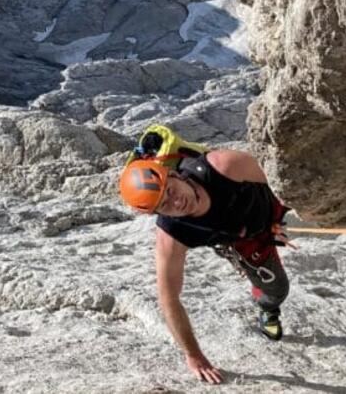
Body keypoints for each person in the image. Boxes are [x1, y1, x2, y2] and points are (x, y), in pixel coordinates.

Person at [119, 149, 292, 385]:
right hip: (248, 238)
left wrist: (331, 211)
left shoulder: (223, 167)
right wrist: (193, 356)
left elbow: (285, 177)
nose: (176, 202)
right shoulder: (173, 235)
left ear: (174, 175)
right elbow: (168, 299)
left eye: (170, 191)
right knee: (277, 289)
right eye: (164, 205)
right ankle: (268, 308)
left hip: (279, 201)